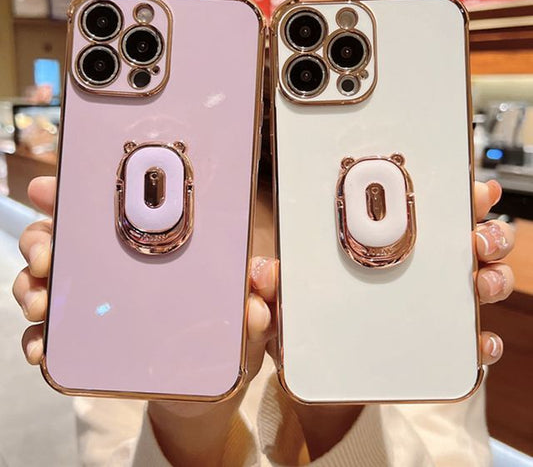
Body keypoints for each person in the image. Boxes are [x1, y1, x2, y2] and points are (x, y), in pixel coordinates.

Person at [13, 176, 514, 466]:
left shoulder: (411, 295)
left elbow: (454, 454)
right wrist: (186, 417)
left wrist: (338, 402)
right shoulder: (133, 301)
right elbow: (107, 451)